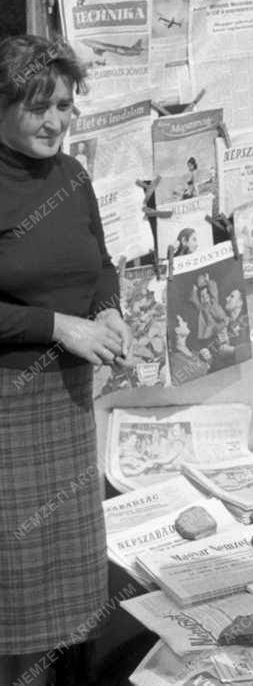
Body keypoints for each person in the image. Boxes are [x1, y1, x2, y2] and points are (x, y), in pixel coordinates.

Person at [0, 36, 132, 686]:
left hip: (68, 409)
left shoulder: (72, 177)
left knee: (71, 592)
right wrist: (59, 327)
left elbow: (100, 265)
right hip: (8, 412)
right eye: (39, 106)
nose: (57, 120)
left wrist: (107, 311)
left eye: (66, 104)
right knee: (12, 592)